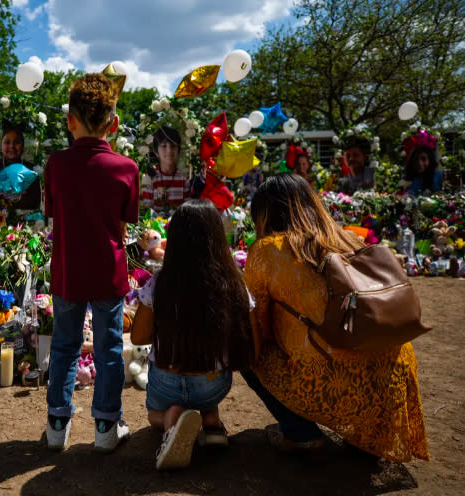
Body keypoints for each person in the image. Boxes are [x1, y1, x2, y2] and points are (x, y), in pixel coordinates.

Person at [243, 173, 429, 462]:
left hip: (332, 380)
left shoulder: (266, 252)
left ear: (265, 214)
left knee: (247, 350)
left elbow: (259, 327)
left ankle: (300, 434)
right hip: (392, 382)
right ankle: (366, 435)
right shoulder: (347, 238)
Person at [44, 73, 139, 452]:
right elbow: (121, 224)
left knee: (65, 346)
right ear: (113, 124)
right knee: (109, 348)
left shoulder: (56, 165)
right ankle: (105, 426)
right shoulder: (126, 168)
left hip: (68, 270)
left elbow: (55, 215)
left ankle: (56, 425)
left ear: (70, 120)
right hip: (107, 270)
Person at [131, 200, 254, 470]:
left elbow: (138, 339)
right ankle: (211, 420)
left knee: (153, 415)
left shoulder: (160, 283)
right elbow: (246, 333)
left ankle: (170, 420)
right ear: (217, 237)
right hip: (212, 385)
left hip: (166, 383)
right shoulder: (232, 282)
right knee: (206, 394)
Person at [0, 126, 41, 210]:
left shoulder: (31, 169)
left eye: (16, 142)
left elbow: (36, 201)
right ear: (1, 146)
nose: (12, 146)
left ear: (23, 145)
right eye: (7, 142)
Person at [141, 126, 190, 214]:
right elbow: (147, 209)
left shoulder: (184, 179)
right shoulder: (150, 178)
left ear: (178, 150)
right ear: (156, 152)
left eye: (173, 145)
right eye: (164, 146)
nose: (169, 150)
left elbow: (187, 209)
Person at [403, 129, 442, 195]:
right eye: (416, 159)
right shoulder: (410, 179)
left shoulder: (439, 177)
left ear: (430, 160)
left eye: (423, 159)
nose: (419, 163)